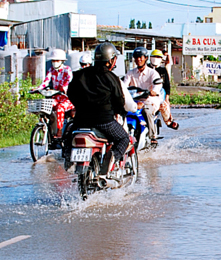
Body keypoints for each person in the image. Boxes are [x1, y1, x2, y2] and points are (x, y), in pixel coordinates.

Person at [67, 42, 136, 175]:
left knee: (69, 134)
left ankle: (68, 157)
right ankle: (112, 158)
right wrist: (116, 111)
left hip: (81, 120)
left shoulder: (80, 74)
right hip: (105, 122)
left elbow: (70, 93)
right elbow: (119, 100)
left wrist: (80, 107)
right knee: (124, 139)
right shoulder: (112, 78)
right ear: (111, 60)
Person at [125, 46, 163, 143]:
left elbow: (157, 85)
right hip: (134, 101)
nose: (139, 59)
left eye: (141, 57)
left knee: (146, 110)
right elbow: (124, 86)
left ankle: (152, 136)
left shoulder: (152, 73)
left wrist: (154, 91)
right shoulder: (130, 73)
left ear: (146, 58)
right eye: (136, 57)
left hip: (149, 100)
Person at [33, 48, 74, 138]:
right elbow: (46, 81)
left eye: (57, 60)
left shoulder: (67, 70)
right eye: (53, 60)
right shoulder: (51, 70)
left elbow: (69, 80)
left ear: (62, 61)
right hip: (55, 97)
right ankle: (47, 126)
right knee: (45, 106)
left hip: (67, 98)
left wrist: (64, 88)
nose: (55, 62)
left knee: (60, 107)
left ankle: (59, 131)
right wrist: (37, 89)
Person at [150, 49, 180, 129]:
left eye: (157, 57)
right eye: (153, 56)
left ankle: (169, 121)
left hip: (159, 93)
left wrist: (167, 98)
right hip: (146, 92)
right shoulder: (146, 68)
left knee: (164, 106)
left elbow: (167, 85)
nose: (155, 58)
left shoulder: (163, 70)